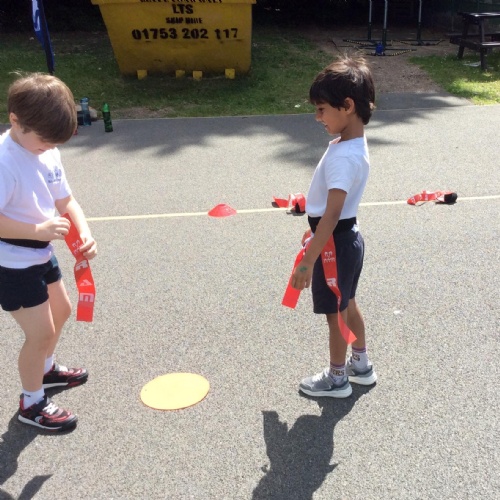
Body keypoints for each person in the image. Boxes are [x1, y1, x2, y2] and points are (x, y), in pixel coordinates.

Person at [0, 73, 97, 430]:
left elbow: (65, 200)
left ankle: (46, 370)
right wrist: (37, 230)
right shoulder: (4, 162)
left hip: (39, 252)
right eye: (44, 141)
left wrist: (84, 232)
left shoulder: (48, 151)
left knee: (62, 309)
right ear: (15, 120)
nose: (49, 147)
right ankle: (32, 403)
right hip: (12, 262)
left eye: (55, 142)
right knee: (39, 333)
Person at [291, 56, 377, 398]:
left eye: (322, 109)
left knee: (336, 315)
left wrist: (308, 259)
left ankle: (337, 378)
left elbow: (332, 214)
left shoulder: (344, 157)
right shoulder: (351, 144)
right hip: (346, 238)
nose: (318, 117)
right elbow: (330, 214)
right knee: (348, 304)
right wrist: (314, 232)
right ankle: (361, 365)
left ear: (348, 106)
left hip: (335, 247)